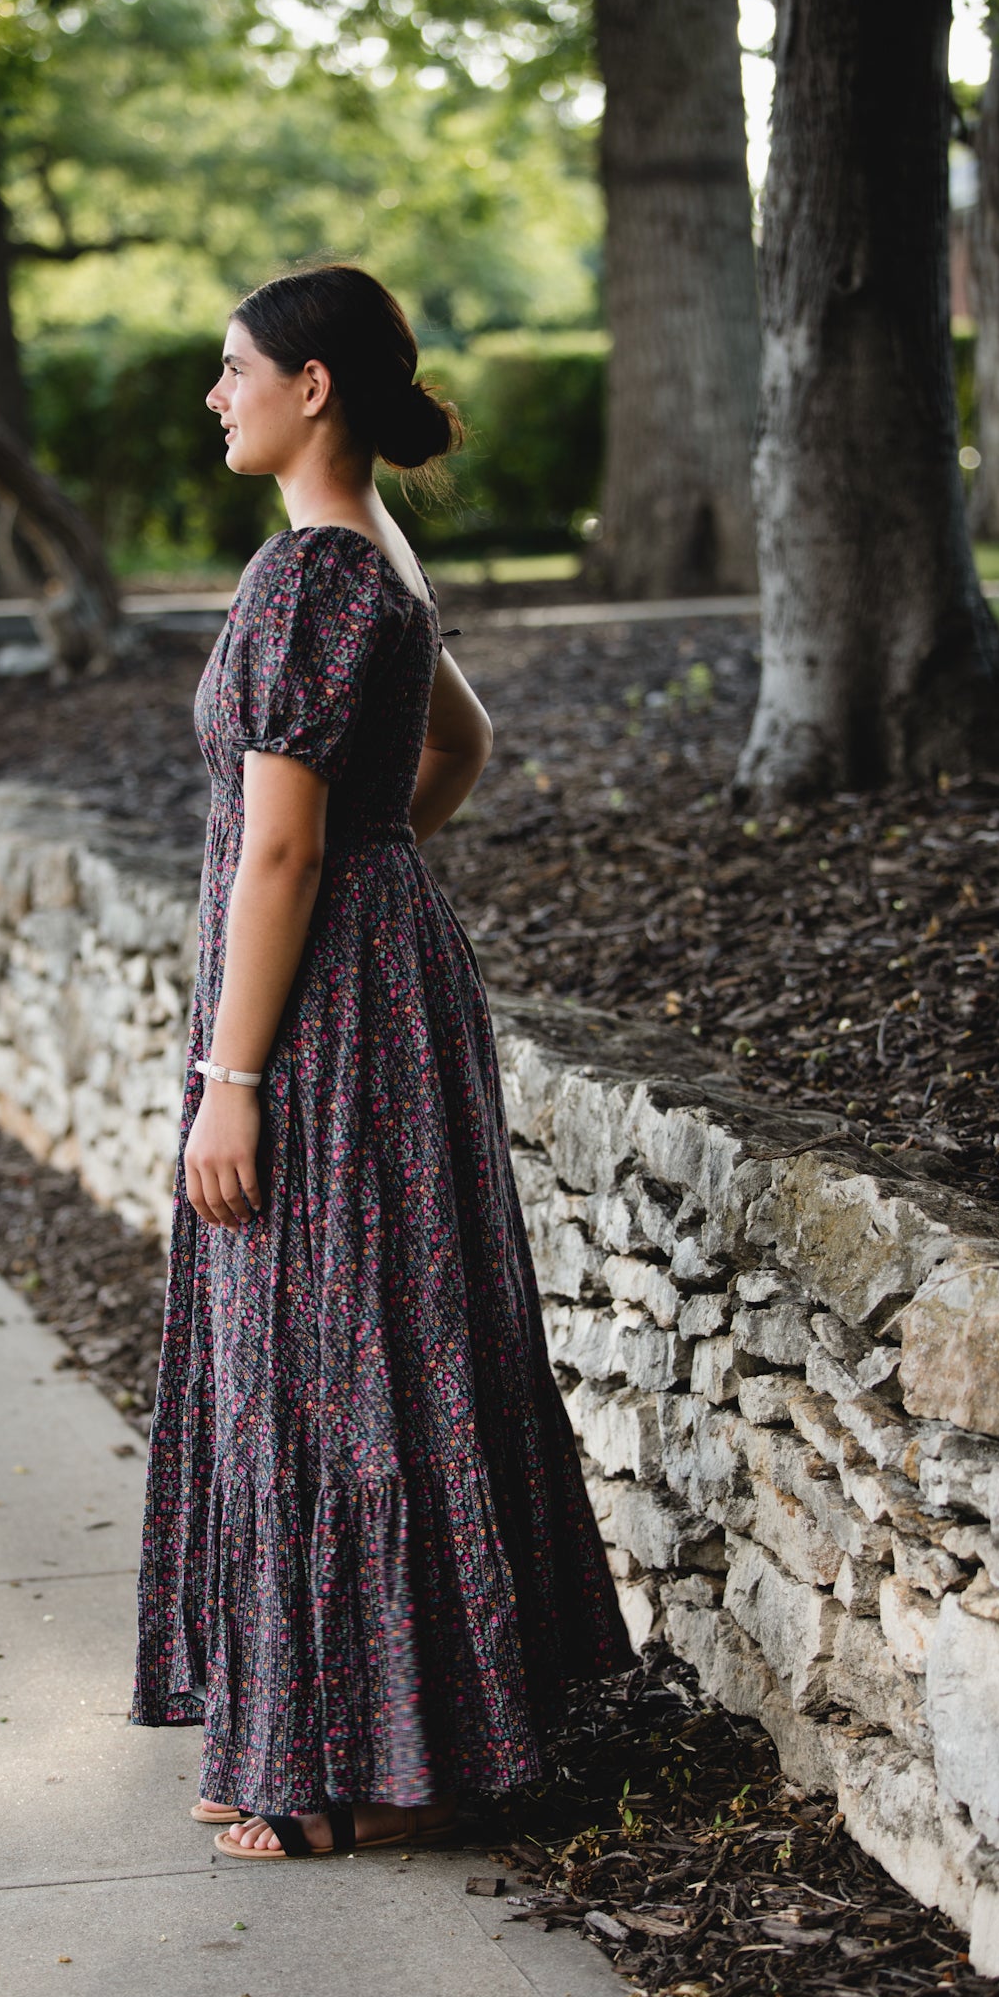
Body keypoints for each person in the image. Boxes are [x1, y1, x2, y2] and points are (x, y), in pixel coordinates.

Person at [129, 264, 634, 1863]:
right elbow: (454, 747)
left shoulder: (306, 581)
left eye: (232, 370)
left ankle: (336, 1763)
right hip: (372, 993)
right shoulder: (365, 560)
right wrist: (370, 869)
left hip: (323, 1032)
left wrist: (233, 1076)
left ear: (312, 386)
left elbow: (276, 850)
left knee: (318, 1356)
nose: (215, 396)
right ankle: (339, 1731)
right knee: (371, 1344)